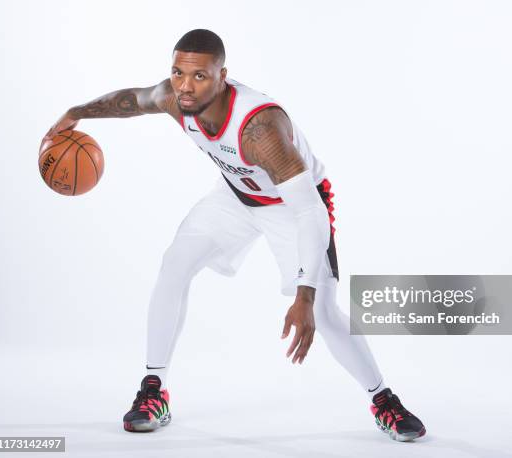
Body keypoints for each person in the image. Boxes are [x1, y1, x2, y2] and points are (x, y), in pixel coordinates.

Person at [44, 29, 426, 442]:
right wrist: (75, 111)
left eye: (200, 76)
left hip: (293, 209)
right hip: (236, 196)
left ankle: (383, 399)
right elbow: (130, 102)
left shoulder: (259, 129)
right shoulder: (175, 98)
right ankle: (154, 389)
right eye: (178, 73)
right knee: (175, 265)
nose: (186, 86)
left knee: (327, 314)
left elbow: (309, 212)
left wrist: (305, 296)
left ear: (222, 75)